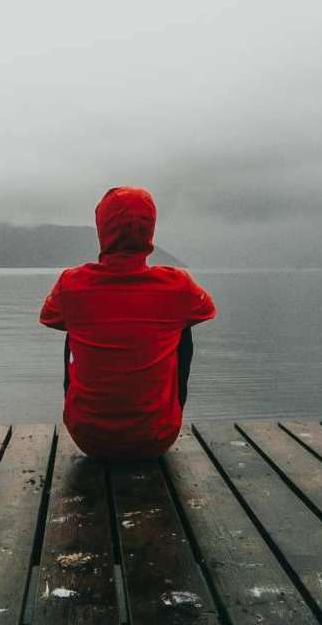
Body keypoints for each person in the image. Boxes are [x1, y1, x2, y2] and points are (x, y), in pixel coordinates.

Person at [39, 186, 216, 459]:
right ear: (150, 229)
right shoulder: (177, 285)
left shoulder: (72, 284)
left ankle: (81, 411)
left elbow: (49, 316)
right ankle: (169, 413)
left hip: (89, 438)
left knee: (72, 324)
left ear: (102, 228)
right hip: (156, 438)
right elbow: (206, 308)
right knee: (183, 325)